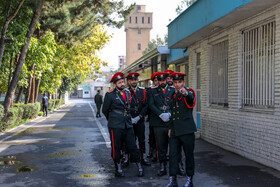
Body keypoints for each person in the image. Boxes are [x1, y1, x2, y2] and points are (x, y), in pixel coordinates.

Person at [102, 72, 144, 177]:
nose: (122, 84)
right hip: (115, 124)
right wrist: (112, 119)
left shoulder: (127, 92)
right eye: (119, 82)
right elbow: (105, 110)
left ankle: (139, 165)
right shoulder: (110, 94)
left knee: (132, 145)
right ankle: (118, 168)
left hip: (127, 123)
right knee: (116, 146)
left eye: (122, 82)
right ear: (115, 84)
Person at [166, 72, 196, 187]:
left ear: (183, 82)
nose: (177, 84)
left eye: (179, 82)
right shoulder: (173, 94)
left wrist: (185, 93)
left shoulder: (189, 92)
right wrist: (170, 128)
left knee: (189, 155)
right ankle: (172, 179)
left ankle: (190, 179)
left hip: (187, 130)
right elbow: (173, 113)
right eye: (175, 82)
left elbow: (190, 98)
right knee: (173, 155)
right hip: (174, 130)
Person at [148, 72, 175, 176]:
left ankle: (176, 166)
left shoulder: (172, 90)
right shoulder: (152, 91)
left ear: (167, 80)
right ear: (158, 81)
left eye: (164, 80)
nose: (162, 82)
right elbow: (151, 104)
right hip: (158, 122)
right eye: (160, 81)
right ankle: (162, 167)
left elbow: (175, 104)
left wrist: (169, 114)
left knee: (173, 146)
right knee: (161, 146)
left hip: (170, 122)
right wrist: (160, 114)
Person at [122, 72, 150, 167]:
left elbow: (146, 105)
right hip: (129, 120)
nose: (134, 81)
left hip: (140, 120)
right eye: (132, 80)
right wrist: (130, 117)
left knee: (142, 139)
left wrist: (139, 117)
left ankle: (143, 158)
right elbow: (123, 106)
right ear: (128, 81)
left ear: (137, 80)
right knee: (129, 140)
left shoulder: (143, 91)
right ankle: (127, 158)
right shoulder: (125, 92)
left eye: (135, 80)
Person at [147, 72, 160, 162]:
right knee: (153, 137)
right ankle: (153, 152)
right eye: (155, 81)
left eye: (158, 80)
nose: (157, 83)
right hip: (153, 117)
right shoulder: (150, 91)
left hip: (164, 119)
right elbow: (148, 104)